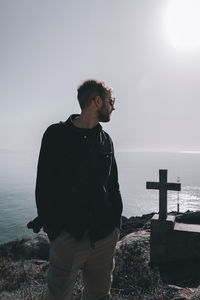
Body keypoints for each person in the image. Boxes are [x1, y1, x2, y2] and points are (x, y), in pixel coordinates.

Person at [35, 79, 123, 300]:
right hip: (67, 237)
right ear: (96, 101)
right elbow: (43, 185)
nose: (113, 106)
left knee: (99, 295)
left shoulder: (106, 140)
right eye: (111, 101)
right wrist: (54, 233)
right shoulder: (55, 135)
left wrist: (115, 226)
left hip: (103, 236)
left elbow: (113, 185)